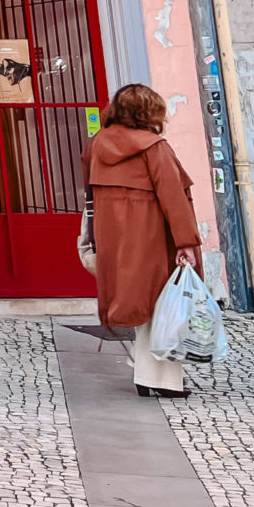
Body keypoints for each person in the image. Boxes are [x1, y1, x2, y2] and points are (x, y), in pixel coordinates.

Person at [83, 83, 202, 399]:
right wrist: (186, 243)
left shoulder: (97, 145)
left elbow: (89, 197)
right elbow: (173, 198)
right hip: (151, 234)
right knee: (164, 305)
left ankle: (145, 373)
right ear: (149, 113)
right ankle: (161, 379)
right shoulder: (153, 147)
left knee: (140, 303)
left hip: (115, 237)